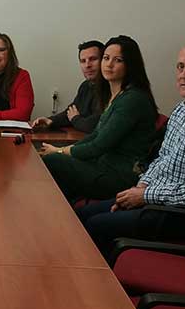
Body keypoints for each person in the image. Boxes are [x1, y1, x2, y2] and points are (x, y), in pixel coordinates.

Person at [77, 41, 185, 255]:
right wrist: (141, 187)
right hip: (158, 197)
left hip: (181, 213)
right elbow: (162, 159)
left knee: (96, 224)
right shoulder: (184, 108)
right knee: (83, 214)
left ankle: (101, 285)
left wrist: (145, 196)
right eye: (181, 67)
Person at [39, 35, 158, 202]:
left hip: (120, 176)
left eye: (118, 60)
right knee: (54, 164)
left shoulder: (133, 99)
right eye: (106, 58)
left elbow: (98, 145)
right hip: (102, 166)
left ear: (130, 65)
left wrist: (60, 151)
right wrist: (67, 150)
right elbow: (95, 134)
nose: (109, 64)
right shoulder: (116, 95)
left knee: (52, 161)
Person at [31, 40, 103, 133]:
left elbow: (95, 125)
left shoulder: (112, 88)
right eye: (83, 61)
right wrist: (50, 120)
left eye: (93, 59)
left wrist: (75, 119)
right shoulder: (85, 86)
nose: (87, 65)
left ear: (103, 60)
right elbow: (70, 113)